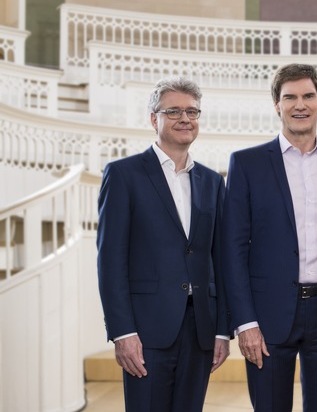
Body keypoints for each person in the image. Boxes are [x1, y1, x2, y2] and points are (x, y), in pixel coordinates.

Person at [222, 63, 317, 412]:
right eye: (290, 97)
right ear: (277, 105)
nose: (299, 105)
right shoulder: (246, 164)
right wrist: (245, 322)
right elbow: (232, 249)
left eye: (308, 96)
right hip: (267, 314)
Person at [96, 76, 230, 412]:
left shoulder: (212, 182)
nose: (185, 118)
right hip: (146, 330)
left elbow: (220, 260)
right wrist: (122, 331)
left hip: (200, 329)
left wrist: (222, 330)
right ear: (153, 119)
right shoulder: (123, 174)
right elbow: (110, 261)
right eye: (173, 111)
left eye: (192, 112)